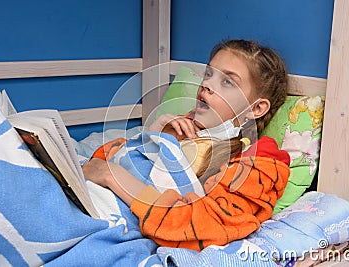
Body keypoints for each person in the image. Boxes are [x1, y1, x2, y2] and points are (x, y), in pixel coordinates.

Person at [82, 39, 291, 251]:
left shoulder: (259, 161)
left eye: (227, 81)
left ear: (256, 109)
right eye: (208, 74)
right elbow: (101, 164)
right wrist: (152, 134)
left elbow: (204, 225)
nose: (206, 84)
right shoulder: (182, 126)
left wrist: (114, 177)